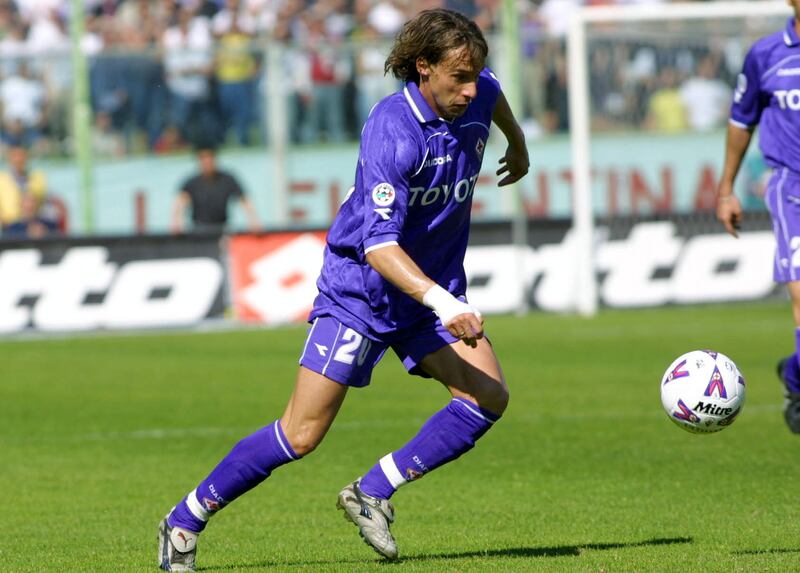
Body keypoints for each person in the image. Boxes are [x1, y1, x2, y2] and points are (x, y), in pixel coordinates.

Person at [157, 8, 529, 571]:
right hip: (363, 291)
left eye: (476, 74)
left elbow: (494, 94)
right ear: (424, 68)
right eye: (459, 78)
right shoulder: (392, 129)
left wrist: (517, 142)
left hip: (427, 292)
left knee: (487, 398)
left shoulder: (476, 89)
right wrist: (444, 301)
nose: (471, 89)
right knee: (302, 434)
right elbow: (379, 248)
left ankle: (372, 490)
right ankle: (184, 520)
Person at [716, 2, 800, 433]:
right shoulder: (766, 54)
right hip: (792, 188)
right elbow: (740, 118)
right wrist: (727, 187)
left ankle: (795, 373)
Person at [171, 145, 259, 234]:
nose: (207, 162)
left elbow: (244, 200)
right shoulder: (192, 183)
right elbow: (181, 202)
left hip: (222, 228)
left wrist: (253, 220)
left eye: (209, 158)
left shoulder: (227, 179)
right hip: (199, 229)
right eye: (203, 159)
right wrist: (176, 222)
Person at [0, 143, 48, 230]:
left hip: (32, 225)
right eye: (15, 156)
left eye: (22, 155)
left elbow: (41, 203)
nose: (19, 159)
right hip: (9, 227)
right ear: (9, 158)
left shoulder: (37, 178)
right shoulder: (2, 180)